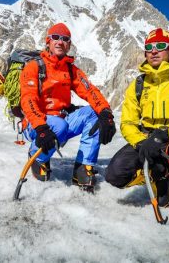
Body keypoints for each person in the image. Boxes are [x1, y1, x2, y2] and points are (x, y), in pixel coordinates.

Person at [20, 23, 116, 190]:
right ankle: (38, 157)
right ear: (48, 42)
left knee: (94, 114)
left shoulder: (71, 70)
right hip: (36, 124)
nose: (60, 42)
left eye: (65, 39)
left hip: (60, 122)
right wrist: (42, 127)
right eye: (55, 38)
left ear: (69, 45)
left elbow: (90, 91)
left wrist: (106, 113)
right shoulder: (34, 66)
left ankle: (82, 168)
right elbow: (28, 100)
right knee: (59, 125)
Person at [105, 28, 169, 207]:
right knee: (115, 175)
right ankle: (159, 174)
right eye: (149, 47)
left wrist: (164, 134)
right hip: (147, 138)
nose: (153, 51)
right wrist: (141, 143)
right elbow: (128, 122)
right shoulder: (138, 84)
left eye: (160, 46)